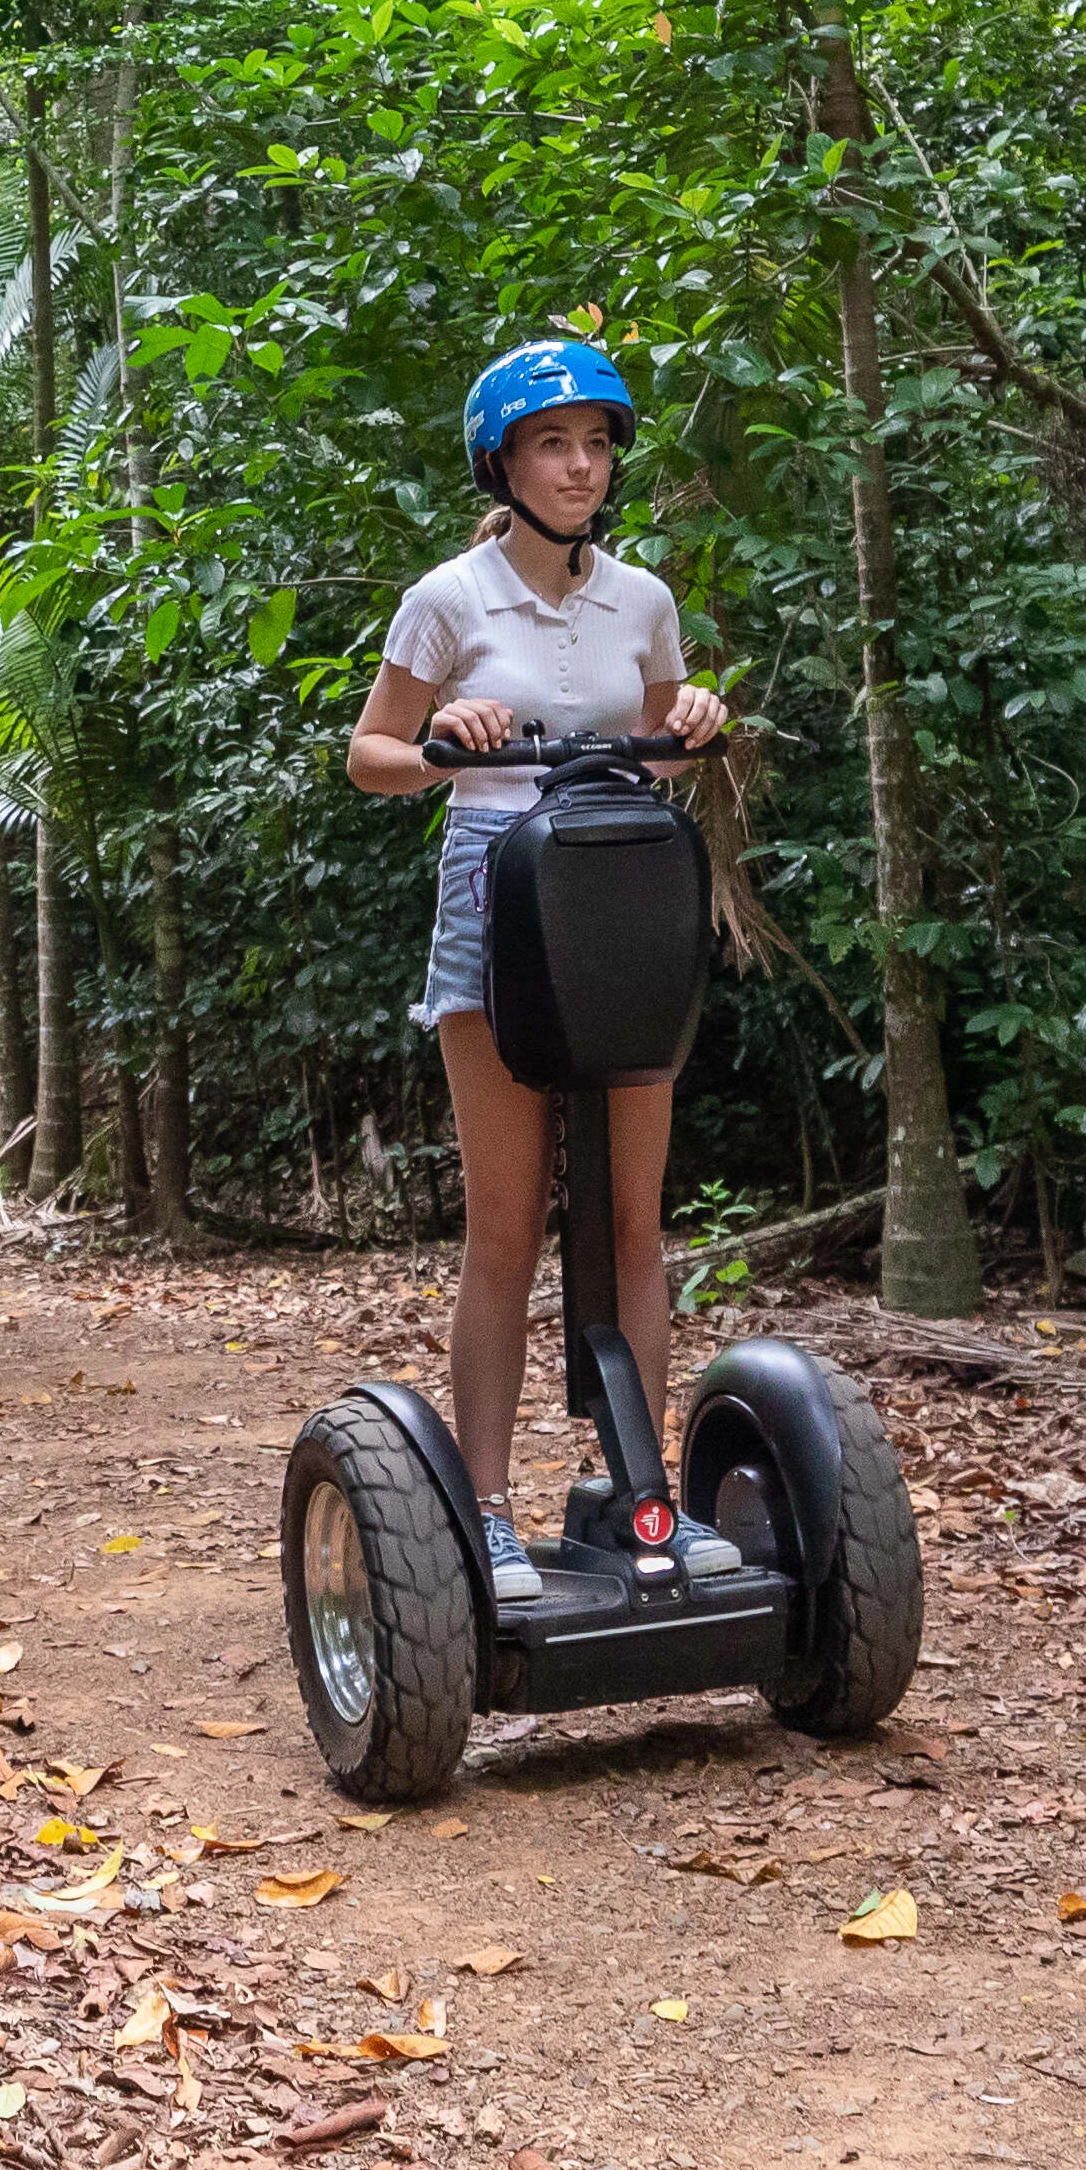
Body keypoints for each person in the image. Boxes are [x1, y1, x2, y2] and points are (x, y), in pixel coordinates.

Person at [342, 336, 735, 1605]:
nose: (580, 464)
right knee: (506, 1224)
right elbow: (370, 755)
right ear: (502, 463)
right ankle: (492, 1507)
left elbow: (658, 752)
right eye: (553, 444)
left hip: (619, 901)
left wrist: (694, 726)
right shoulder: (449, 598)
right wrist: (446, 736)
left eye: (598, 442)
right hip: (495, 901)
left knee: (634, 1218)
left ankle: (644, 1492)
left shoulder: (644, 599)